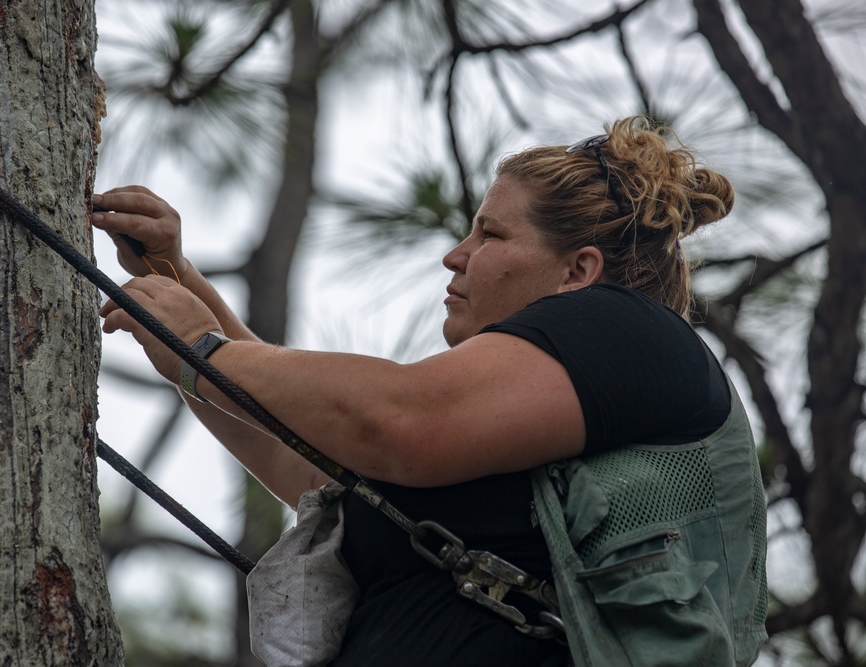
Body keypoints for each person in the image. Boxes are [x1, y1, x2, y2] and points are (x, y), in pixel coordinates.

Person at [93, 115, 767, 666]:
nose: (456, 253)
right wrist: (178, 285)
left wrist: (204, 350)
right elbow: (312, 461)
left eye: (491, 233)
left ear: (577, 271)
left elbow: (395, 422)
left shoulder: (631, 329)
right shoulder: (507, 435)